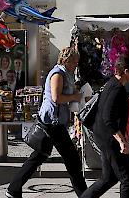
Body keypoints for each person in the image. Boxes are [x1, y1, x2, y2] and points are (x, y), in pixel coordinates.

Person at [6, 47, 87, 198]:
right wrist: (74, 97)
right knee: (72, 159)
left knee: (39, 156)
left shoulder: (66, 73)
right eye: (74, 61)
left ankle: (13, 189)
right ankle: (85, 194)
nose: (76, 64)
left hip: (55, 121)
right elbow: (57, 98)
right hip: (52, 122)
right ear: (66, 60)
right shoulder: (57, 73)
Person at [81, 55, 129, 198]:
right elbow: (108, 118)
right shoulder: (117, 89)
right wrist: (121, 141)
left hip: (104, 137)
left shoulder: (110, 84)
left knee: (109, 178)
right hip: (111, 140)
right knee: (128, 178)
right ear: (126, 71)